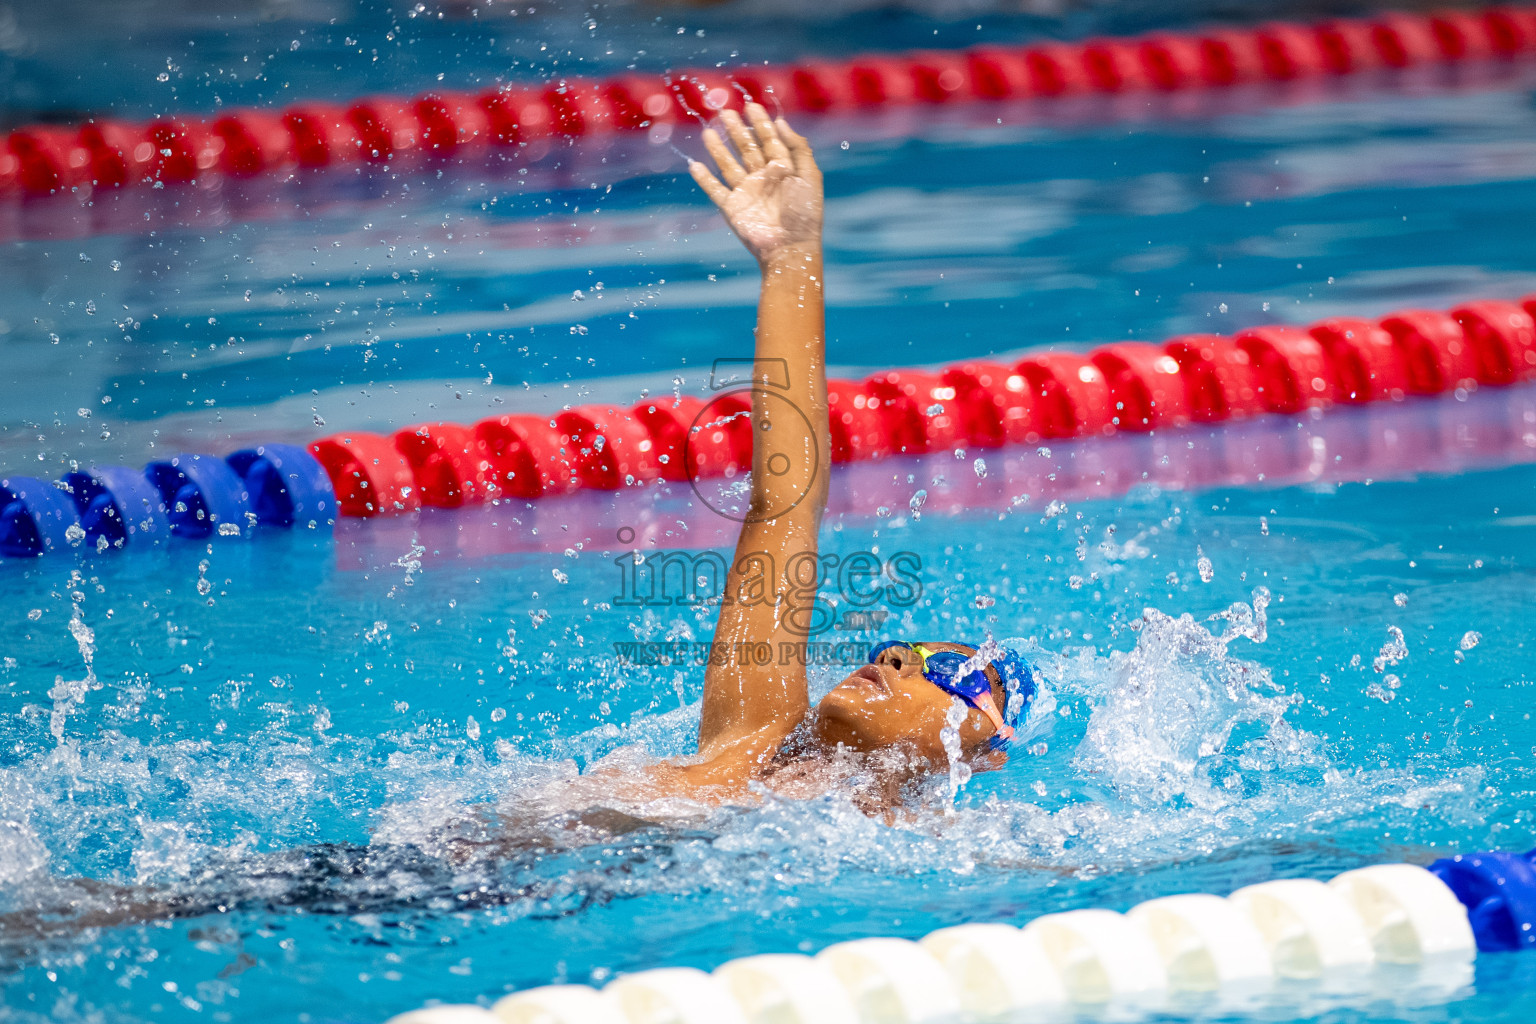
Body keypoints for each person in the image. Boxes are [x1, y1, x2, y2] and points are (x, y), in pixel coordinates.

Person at [0, 107, 1037, 939]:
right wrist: (792, 258)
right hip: (429, 876)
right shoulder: (759, 724)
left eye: (944, 669)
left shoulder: (910, 856)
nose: (897, 658)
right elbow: (786, 491)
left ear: (982, 746)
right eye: (898, 644)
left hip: (505, 912)